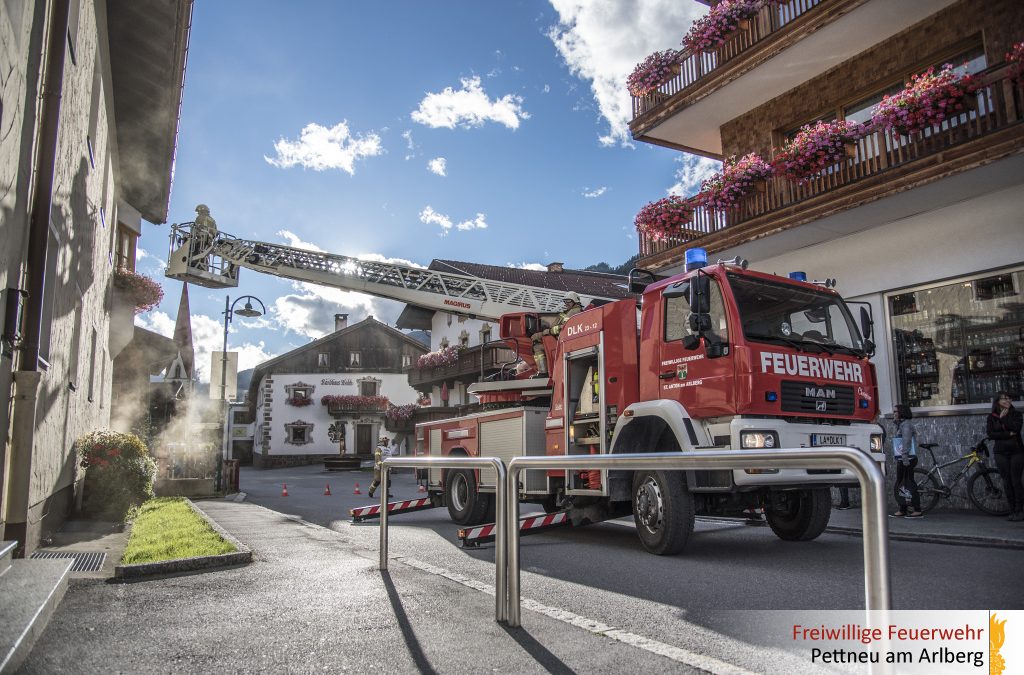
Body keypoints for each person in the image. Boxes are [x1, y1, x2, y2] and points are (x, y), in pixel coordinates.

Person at [987, 391, 1024, 521]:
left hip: (1016, 452)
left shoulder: (1017, 414)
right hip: (1000, 452)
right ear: (997, 401)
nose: (1008, 400)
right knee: (1007, 482)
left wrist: (1003, 419)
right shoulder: (991, 417)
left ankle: (1020, 511)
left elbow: (1016, 429)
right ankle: (1012, 510)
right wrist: (1008, 434)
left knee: (1016, 481)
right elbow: (991, 435)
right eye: (1004, 399)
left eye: (1009, 398)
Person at [530, 292, 583, 377]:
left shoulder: (574, 311)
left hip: (563, 342)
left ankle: (543, 373)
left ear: (575, 301)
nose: (566, 304)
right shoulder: (570, 311)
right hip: (562, 340)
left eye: (568, 301)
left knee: (537, 347)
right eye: (565, 301)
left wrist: (546, 332)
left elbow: (563, 328)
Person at [892, 403, 923, 518]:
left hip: (907, 459)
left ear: (901, 413)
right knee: (902, 484)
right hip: (903, 458)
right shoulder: (901, 424)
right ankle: (902, 508)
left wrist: (904, 458)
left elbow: (906, 442)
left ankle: (917, 509)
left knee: (909, 484)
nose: (893, 413)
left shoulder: (906, 425)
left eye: (895, 411)